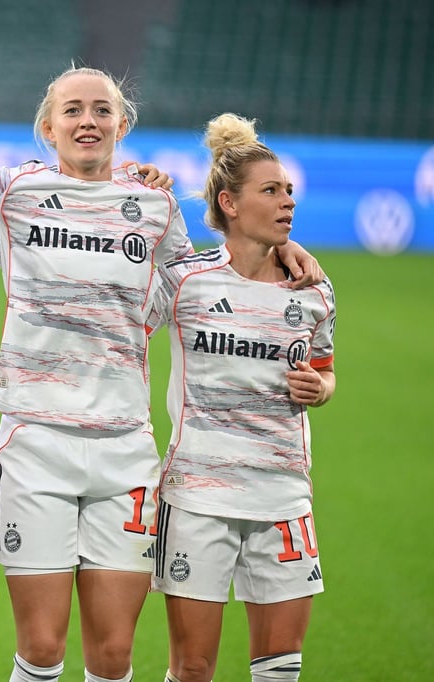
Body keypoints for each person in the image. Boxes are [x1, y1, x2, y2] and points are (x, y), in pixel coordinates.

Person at [0, 66, 322, 682]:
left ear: (121, 124)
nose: (87, 121)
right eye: (73, 110)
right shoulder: (9, 191)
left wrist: (276, 251)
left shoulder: (156, 205)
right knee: (40, 647)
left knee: (114, 655)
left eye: (100, 110)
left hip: (125, 448)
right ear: (47, 126)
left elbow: (195, 281)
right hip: (35, 442)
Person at [146, 113, 335, 682]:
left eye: (290, 192)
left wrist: (320, 388)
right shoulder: (186, 282)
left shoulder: (315, 290)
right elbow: (114, 319)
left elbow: (326, 372)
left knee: (280, 670)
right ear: (229, 203)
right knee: (193, 669)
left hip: (283, 496)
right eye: (271, 191)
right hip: (197, 496)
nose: (287, 203)